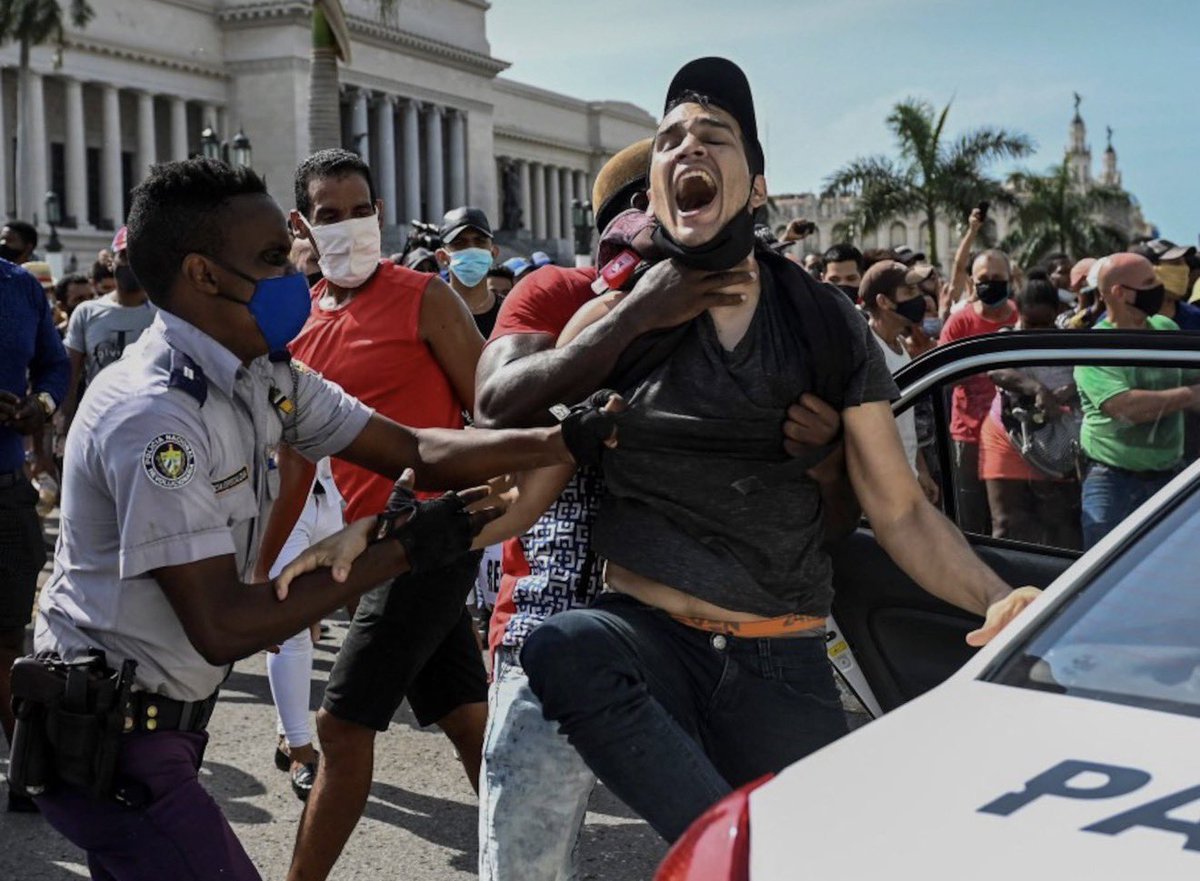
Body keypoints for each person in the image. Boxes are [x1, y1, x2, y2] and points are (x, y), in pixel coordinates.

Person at [28, 157, 608, 880]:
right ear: (205, 275)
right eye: (274, 259)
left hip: (153, 734)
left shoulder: (264, 374)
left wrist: (562, 439)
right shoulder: (156, 418)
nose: (292, 275)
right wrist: (399, 550)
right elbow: (221, 628)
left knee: (457, 707)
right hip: (115, 748)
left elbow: (416, 447)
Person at [513, 56, 1038, 844]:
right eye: (670, 141)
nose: (688, 150)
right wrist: (395, 532)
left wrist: (996, 597)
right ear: (653, 185)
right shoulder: (612, 326)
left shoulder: (826, 325)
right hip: (644, 641)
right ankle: (731, 852)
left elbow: (899, 509)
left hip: (779, 658)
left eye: (713, 137)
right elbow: (526, 477)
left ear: (756, 186)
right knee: (562, 648)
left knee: (816, 853)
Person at [274, 149, 490, 881]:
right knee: (465, 717)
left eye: (359, 210)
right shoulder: (298, 324)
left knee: (338, 727)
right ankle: (529, 859)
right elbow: (297, 464)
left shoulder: (426, 296)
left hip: (432, 533)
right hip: (368, 549)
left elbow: (492, 408)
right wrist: (262, 563)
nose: (348, 226)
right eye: (328, 215)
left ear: (380, 210)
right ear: (302, 225)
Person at [0, 257, 69, 812]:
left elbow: (53, 366)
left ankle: (27, 776)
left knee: (8, 637)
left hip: (6, 493)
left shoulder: (20, 287)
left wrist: (37, 407)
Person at [1074, 253, 1200, 548]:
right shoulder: (1095, 347)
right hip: (1111, 480)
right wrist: (1190, 396)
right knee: (1103, 570)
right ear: (1119, 293)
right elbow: (1125, 407)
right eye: (1149, 282)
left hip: (1170, 477)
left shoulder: (1165, 330)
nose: (1159, 287)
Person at [264, 457, 345, 801]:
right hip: (279, 494)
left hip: (332, 493)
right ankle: (300, 749)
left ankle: (288, 735)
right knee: (289, 625)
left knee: (315, 619)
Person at [981, 279, 1081, 547]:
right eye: (1030, 324)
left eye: (1045, 324)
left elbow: (1088, 378)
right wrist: (1036, 389)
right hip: (1006, 433)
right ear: (1019, 313)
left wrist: (1070, 390)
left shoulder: (1070, 341)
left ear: (1056, 312)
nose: (1037, 331)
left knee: (1060, 521)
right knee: (1007, 522)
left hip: (1057, 438)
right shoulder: (1006, 337)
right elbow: (996, 371)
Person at [937, 247, 1019, 535]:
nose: (991, 283)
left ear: (1011, 280)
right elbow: (942, 377)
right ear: (972, 283)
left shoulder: (1022, 321)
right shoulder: (959, 323)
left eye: (998, 277)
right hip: (968, 437)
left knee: (1008, 524)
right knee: (970, 524)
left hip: (1014, 439)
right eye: (984, 278)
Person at [61, 227, 158, 432]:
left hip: (152, 422)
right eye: (124, 255)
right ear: (111, 262)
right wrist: (66, 428)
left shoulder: (165, 313)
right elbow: (70, 375)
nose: (130, 263)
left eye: (137, 256)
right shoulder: (86, 313)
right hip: (98, 424)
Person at [859, 260, 939, 503]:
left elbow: (906, 420)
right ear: (884, 302)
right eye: (910, 292)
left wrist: (920, 470)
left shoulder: (900, 346)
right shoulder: (867, 352)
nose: (921, 300)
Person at [437, 206, 502, 337]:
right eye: (460, 243)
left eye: (480, 241)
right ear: (442, 257)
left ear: (493, 253)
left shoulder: (508, 311)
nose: (471, 249)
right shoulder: (430, 311)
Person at [1139, 239, 1200, 331]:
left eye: (1185, 263)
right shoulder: (1126, 316)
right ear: (1150, 269)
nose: (1185, 269)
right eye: (1176, 263)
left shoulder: (1195, 317)